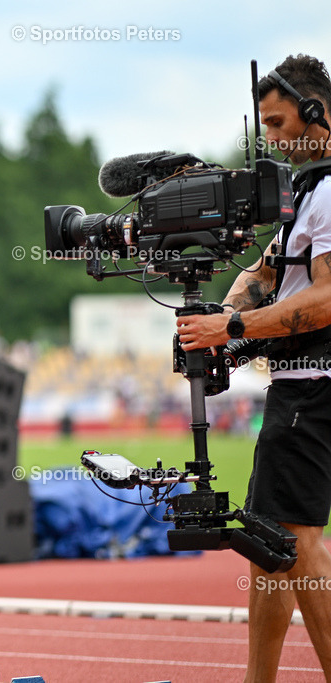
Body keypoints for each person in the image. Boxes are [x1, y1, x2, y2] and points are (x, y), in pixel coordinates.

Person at [176, 54, 331, 682]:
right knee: (271, 543)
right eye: (263, 124)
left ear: (317, 114)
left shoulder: (329, 193)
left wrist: (232, 331)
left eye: (277, 122)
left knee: (295, 544)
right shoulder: (308, 192)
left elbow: (326, 298)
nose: (269, 138)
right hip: (301, 386)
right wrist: (222, 315)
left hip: (314, 385)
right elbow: (266, 272)